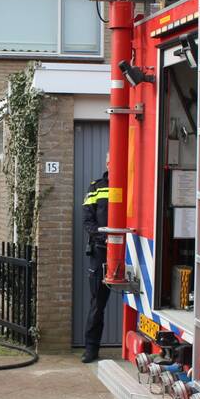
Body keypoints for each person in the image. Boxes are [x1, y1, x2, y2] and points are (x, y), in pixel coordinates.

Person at [81, 155, 111, 363]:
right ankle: (91, 350)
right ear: (107, 163)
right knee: (97, 305)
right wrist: (104, 237)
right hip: (101, 252)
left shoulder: (132, 184)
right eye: (111, 161)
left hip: (132, 253)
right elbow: (87, 220)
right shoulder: (97, 187)